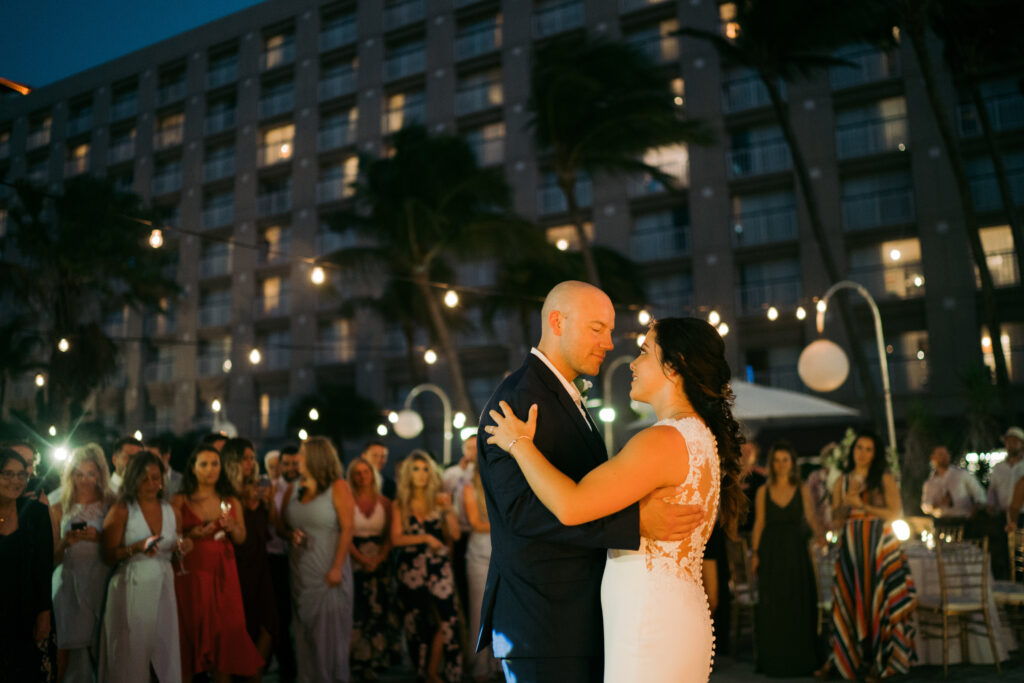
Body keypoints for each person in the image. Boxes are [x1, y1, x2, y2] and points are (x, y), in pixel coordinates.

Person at [484, 311, 746, 682]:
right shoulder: (699, 436)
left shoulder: (663, 440)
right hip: (673, 614)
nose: (632, 363)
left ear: (674, 367)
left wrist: (519, 443)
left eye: (644, 351)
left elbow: (571, 505)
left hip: (649, 625)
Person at [817, 432, 916, 682]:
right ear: (852, 451)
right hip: (851, 543)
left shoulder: (883, 478)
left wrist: (862, 505)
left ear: (875, 453)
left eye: (868, 449)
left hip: (878, 543)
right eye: (859, 448)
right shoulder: (842, 480)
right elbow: (837, 519)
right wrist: (845, 503)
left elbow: (894, 512)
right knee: (850, 598)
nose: (862, 453)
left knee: (878, 597)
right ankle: (843, 661)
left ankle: (881, 661)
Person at [172, 445, 263, 682]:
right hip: (193, 573)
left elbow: (242, 537)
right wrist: (194, 535)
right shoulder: (180, 500)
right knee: (192, 630)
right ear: (193, 468)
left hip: (224, 572)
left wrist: (232, 527)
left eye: (215, 464)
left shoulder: (230, 500)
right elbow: (173, 539)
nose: (211, 469)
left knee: (225, 633)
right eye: (204, 464)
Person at [99, 450, 186, 683]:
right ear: (132, 478)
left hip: (164, 586)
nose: (150, 483)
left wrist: (183, 548)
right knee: (130, 653)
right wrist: (135, 548)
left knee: (165, 651)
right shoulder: (121, 510)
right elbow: (107, 555)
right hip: (131, 586)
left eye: (155, 477)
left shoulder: (172, 511)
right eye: (144, 478)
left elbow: (177, 547)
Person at [281, 437, 355, 683]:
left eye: (302, 454)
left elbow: (348, 528)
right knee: (304, 636)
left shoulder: (338, 487)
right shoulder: (293, 488)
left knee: (330, 638)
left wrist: (336, 568)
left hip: (328, 569)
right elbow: (282, 524)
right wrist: (291, 535)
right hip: (301, 569)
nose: (297, 459)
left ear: (315, 457)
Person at [751, 441, 824, 677]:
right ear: (771, 464)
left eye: (785, 460)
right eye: (777, 460)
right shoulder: (763, 491)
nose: (781, 465)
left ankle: (800, 659)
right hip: (771, 552)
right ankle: (774, 660)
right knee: (773, 605)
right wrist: (755, 553)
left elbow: (811, 516)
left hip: (796, 552)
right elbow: (759, 523)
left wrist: (822, 536)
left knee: (798, 602)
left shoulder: (802, 488)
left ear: (792, 463)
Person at [391, 450, 463, 683]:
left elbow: (455, 534)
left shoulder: (439, 500)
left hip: (439, 567)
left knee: (448, 619)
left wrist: (448, 509)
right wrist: (426, 538)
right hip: (411, 569)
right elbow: (395, 539)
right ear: (408, 474)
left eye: (425, 469)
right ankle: (424, 672)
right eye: (416, 469)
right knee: (417, 622)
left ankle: (437, 671)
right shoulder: (400, 503)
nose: (421, 474)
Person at [50, 444, 112, 682]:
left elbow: (117, 547)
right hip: (69, 582)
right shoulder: (59, 505)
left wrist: (99, 537)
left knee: (98, 646)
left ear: (100, 474)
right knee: (63, 646)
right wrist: (66, 542)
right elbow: (51, 559)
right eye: (79, 474)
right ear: (70, 475)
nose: (85, 480)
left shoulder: (111, 503)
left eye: (90, 473)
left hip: (99, 580)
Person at [223, 437, 280, 679]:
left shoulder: (258, 485)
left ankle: (254, 672)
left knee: (269, 623)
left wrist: (267, 501)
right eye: (244, 458)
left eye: (251, 458)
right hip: (238, 564)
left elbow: (274, 523)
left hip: (260, 562)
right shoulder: (226, 491)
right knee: (243, 624)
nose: (249, 463)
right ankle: (246, 673)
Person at [0, 447, 54, 680]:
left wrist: (44, 613)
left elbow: (44, 567)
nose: (16, 481)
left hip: (25, 612)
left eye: (21, 474)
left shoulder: (36, 513)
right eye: (7, 474)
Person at [347, 457, 394, 680]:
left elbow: (389, 537)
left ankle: (377, 658)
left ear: (372, 475)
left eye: (366, 472)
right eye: (357, 472)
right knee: (357, 610)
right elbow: (344, 535)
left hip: (379, 561)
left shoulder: (384, 503)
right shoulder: (347, 501)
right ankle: (358, 659)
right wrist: (361, 559)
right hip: (354, 559)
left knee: (378, 608)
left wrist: (379, 557)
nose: (362, 476)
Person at [462, 454, 499, 682]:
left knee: (500, 608)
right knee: (479, 611)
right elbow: (476, 523)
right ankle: (479, 667)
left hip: (500, 552)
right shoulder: (469, 489)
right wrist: (505, 525)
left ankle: (498, 663)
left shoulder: (500, 484)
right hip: (478, 554)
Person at [268, 444, 300, 683]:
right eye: (286, 463)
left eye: (294, 463)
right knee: (281, 614)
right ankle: (286, 666)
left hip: (303, 557)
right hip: (276, 557)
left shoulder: (307, 489)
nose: (290, 468)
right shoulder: (271, 490)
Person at [443, 436, 477, 625]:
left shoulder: (483, 470)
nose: (473, 451)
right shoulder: (452, 473)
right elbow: (445, 495)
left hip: (477, 531)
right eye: (469, 447)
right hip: (458, 531)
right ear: (463, 449)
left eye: (475, 447)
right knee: (459, 578)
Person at [920, 445, 986, 532]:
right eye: (940, 454)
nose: (944, 457)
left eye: (946, 454)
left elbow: (980, 493)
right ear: (933, 458)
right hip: (941, 523)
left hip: (963, 521)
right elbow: (925, 505)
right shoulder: (929, 483)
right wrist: (937, 504)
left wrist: (975, 508)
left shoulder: (961, 474)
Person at [989, 427, 1023, 577]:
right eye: (1009, 441)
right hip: (1003, 515)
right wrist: (990, 506)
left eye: (1015, 441)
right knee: (1003, 553)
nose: (1011, 444)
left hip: (1022, 516)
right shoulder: (998, 468)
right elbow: (992, 492)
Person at [739, 440, 766, 533]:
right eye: (743, 451)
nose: (746, 454)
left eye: (749, 451)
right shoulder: (731, 478)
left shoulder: (761, 479)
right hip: (735, 531)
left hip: (755, 530)